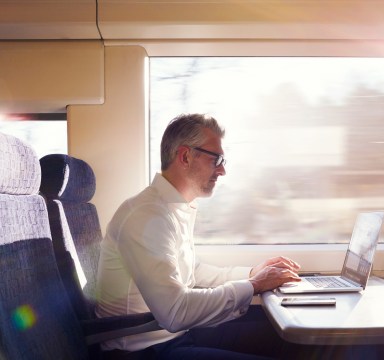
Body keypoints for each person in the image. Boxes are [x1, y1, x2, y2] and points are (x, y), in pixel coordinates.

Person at [96, 113, 301, 359]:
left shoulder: (172, 208)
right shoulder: (146, 216)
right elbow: (175, 312)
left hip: (173, 336)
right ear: (185, 156)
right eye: (217, 159)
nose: (223, 170)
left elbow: (195, 271)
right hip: (144, 350)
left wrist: (251, 273)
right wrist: (254, 285)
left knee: (289, 341)